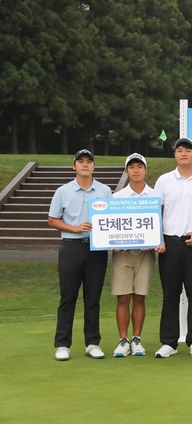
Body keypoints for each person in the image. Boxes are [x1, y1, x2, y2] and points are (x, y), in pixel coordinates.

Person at [48, 149, 112, 361]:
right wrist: (75, 228)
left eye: (89, 161)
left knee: (92, 299)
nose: (85, 165)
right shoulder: (63, 191)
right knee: (68, 297)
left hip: (97, 250)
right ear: (73, 166)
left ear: (94, 166)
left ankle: (92, 343)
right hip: (72, 248)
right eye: (81, 161)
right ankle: (62, 344)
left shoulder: (104, 191)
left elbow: (112, 219)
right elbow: (53, 220)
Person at [153, 138, 192, 358]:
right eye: (179, 150)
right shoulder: (164, 180)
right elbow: (155, 212)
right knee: (171, 295)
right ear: (175, 154)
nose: (183, 153)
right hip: (170, 244)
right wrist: (158, 239)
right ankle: (169, 342)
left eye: (188, 150)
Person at [111, 153, 157, 357]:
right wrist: (111, 243)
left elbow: (160, 224)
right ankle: (123, 340)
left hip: (145, 254)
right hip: (122, 254)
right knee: (123, 296)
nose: (136, 170)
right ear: (126, 171)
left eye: (139, 167)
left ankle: (136, 339)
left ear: (146, 170)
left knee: (139, 296)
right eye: (132, 167)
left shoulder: (155, 196)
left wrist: (155, 241)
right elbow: (111, 226)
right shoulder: (116, 197)